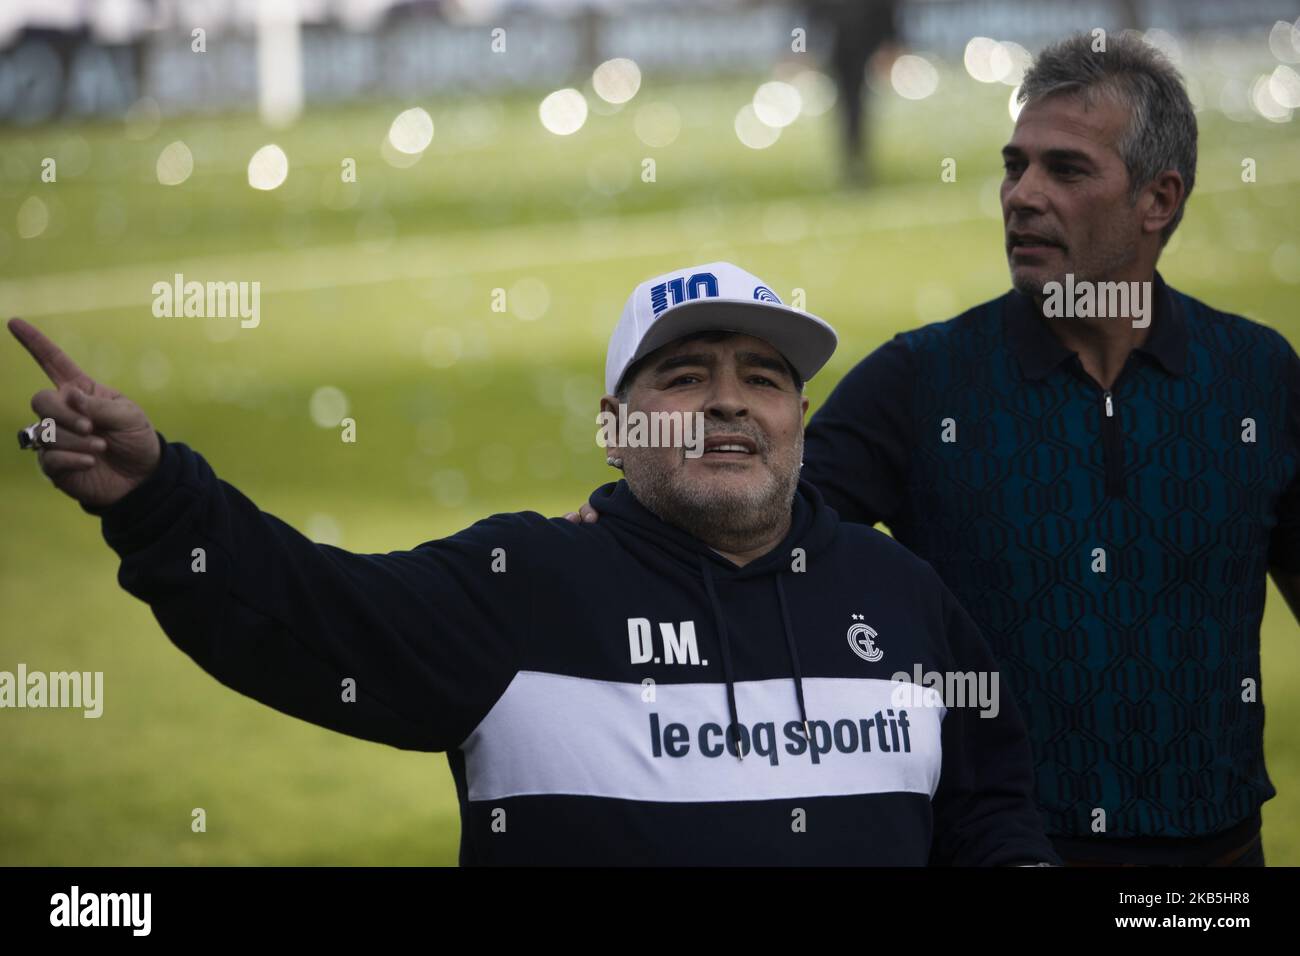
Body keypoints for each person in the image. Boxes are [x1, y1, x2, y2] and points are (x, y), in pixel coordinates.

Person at [9, 261, 1058, 866]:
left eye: (764, 378)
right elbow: (303, 615)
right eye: (685, 375)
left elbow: (986, 806)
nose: (731, 401)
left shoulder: (899, 595)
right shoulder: (523, 581)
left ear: (797, 416)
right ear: (613, 426)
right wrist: (156, 499)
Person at [801, 33, 1300, 865]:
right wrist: (613, 523)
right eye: (1014, 165)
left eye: (1065, 170)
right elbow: (752, 538)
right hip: (994, 854)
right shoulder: (919, 381)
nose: (1021, 195)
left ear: (1158, 200)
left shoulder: (1257, 377)